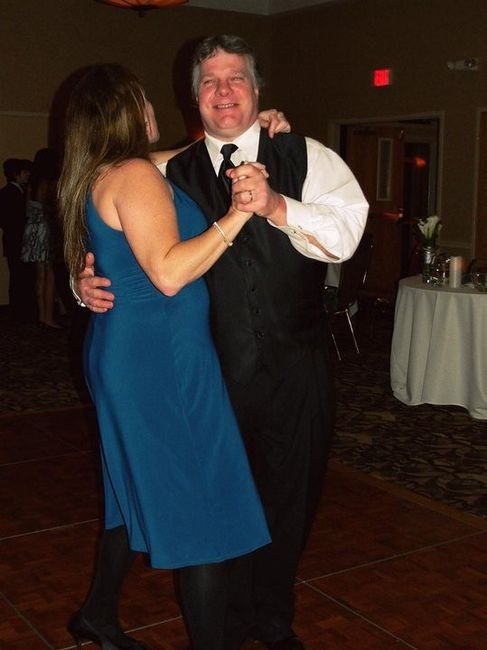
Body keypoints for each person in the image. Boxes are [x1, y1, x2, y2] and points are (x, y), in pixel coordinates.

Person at [77, 35, 369, 650]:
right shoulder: (166, 169)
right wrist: (87, 283)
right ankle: (225, 623)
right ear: (194, 99)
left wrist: (277, 204)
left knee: (290, 500)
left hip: (295, 363)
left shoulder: (304, 154)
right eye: (210, 82)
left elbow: (346, 235)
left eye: (236, 78)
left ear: (258, 90)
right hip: (206, 369)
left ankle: (272, 620)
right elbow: (124, 227)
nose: (224, 90)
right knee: (218, 501)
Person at [59, 63, 272, 650]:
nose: (153, 108)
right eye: (144, 100)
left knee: (134, 493)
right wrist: (238, 214)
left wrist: (252, 130)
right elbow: (171, 274)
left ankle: (97, 616)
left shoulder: (110, 170)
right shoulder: (133, 175)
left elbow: (184, 154)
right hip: (161, 362)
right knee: (201, 509)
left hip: (132, 352)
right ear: (128, 111)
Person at [21, 148, 63, 328]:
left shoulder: (32, 183)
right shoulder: (50, 183)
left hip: (32, 228)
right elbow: (55, 210)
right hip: (46, 228)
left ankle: (41, 315)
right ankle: (49, 317)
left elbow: (27, 210)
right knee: (50, 274)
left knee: (40, 275)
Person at [0, 158, 33, 321]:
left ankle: (20, 310)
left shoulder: (12, 192)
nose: (28, 175)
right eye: (25, 172)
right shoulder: (11, 193)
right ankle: (19, 311)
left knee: (19, 276)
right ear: (16, 174)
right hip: (16, 241)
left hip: (14, 240)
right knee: (19, 276)